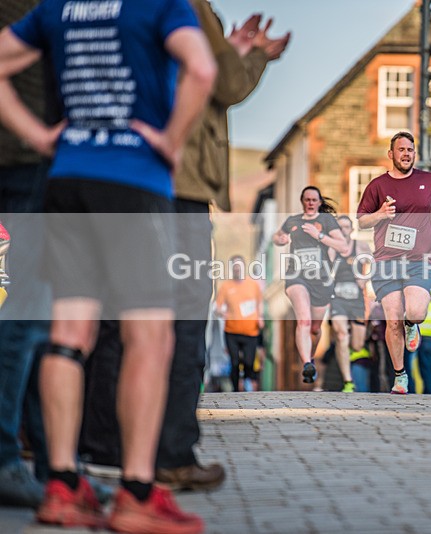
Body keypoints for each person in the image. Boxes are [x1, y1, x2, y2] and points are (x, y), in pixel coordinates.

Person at [0, 0, 217, 531]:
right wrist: (172, 140)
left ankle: (61, 487)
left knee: (68, 335)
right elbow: (204, 69)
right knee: (150, 338)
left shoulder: (59, 8)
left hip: (67, 178)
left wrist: (35, 134)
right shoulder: (162, 5)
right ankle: (136, 495)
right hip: (133, 184)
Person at [79, 5, 290, 492]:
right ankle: (171, 453)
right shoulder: (187, 5)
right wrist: (255, 57)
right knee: (183, 320)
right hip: (179, 184)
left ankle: (106, 448)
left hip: (117, 173)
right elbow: (224, 82)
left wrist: (232, 47)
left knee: (117, 317)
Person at [0, 0, 52, 508]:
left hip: (27, 156)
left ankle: (54, 465)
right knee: (31, 311)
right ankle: (9, 461)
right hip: (25, 159)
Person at [356, 131, 431, 394]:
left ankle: (413, 326)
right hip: (386, 262)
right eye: (401, 150)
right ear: (391, 154)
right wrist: (380, 214)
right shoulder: (377, 185)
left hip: (419, 260)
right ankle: (400, 376)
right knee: (392, 320)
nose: (406, 154)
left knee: (417, 312)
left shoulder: (428, 180)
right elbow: (362, 220)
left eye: (410, 150)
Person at [274, 186, 348, 384]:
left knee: (315, 328)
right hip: (296, 275)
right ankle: (306, 362)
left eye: (314, 199)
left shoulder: (326, 221)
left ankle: (310, 360)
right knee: (304, 321)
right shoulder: (293, 221)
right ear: (302, 201)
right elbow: (277, 236)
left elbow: (343, 246)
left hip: (321, 280)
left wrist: (319, 236)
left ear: (319, 202)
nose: (310, 203)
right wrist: (280, 239)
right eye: (307, 199)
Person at [329, 215, 370, 392]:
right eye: (340, 227)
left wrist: (365, 278)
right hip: (337, 298)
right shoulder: (330, 247)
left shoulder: (360, 246)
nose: (343, 230)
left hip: (356, 299)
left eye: (346, 227)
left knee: (357, 344)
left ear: (351, 230)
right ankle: (348, 381)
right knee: (341, 335)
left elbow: (375, 264)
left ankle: (347, 354)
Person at [215, 256, 264, 392]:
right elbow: (217, 307)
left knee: (249, 362)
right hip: (231, 331)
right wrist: (221, 313)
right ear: (232, 269)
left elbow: (259, 303)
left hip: (250, 331)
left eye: (239, 267)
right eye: (235, 267)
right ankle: (236, 390)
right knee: (235, 362)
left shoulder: (253, 285)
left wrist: (260, 316)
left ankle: (248, 384)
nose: (237, 269)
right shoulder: (226, 286)